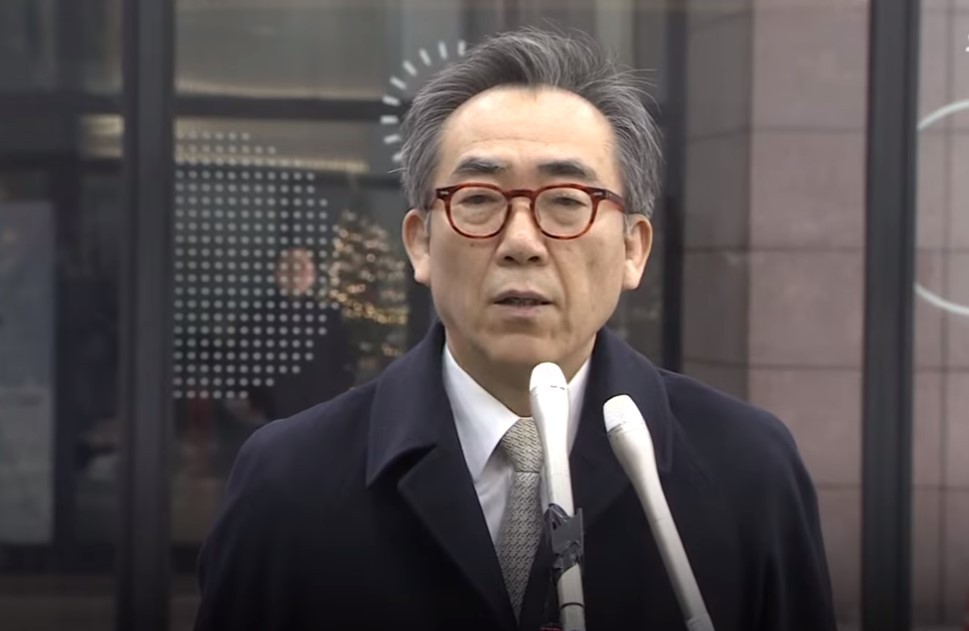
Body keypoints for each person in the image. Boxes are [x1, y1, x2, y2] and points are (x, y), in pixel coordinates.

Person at [193, 28, 836, 631]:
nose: (521, 242)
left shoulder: (747, 470)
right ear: (420, 243)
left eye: (567, 201)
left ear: (633, 249)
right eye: (478, 199)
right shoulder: (291, 482)